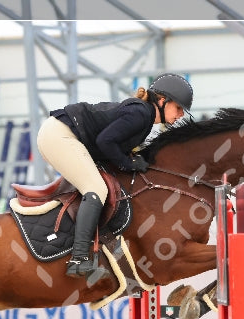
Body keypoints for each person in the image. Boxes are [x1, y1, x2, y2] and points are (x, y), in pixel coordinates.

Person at [36, 73, 194, 280]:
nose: (181, 114)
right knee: (96, 189)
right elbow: (105, 141)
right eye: (179, 108)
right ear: (162, 100)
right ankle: (79, 258)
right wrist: (128, 163)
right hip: (60, 135)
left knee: (104, 185)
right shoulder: (141, 114)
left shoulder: (144, 117)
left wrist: (130, 161)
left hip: (60, 133)